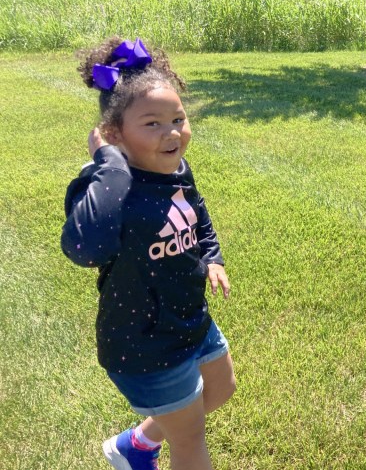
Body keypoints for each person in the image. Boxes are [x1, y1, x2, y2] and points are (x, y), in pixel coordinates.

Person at [61, 36, 235, 470]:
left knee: (221, 389)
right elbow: (84, 247)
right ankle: (143, 449)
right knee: (191, 442)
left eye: (178, 118)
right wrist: (111, 163)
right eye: (152, 124)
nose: (172, 132)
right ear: (115, 134)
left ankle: (134, 444)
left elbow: (197, 212)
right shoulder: (104, 184)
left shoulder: (176, 169)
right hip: (143, 342)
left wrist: (211, 256)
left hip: (188, 317)